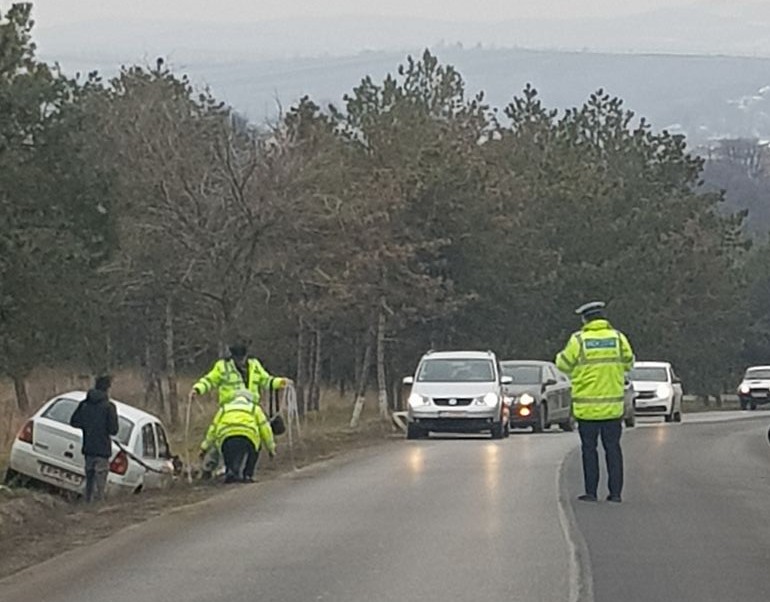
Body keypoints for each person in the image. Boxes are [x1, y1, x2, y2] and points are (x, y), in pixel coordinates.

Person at [556, 301, 634, 503]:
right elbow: (629, 362)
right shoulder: (617, 338)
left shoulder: (579, 340)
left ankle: (591, 492)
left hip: (587, 409)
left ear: (585, 320)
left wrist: (578, 372)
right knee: (613, 450)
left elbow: (562, 364)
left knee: (589, 451)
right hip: (612, 408)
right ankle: (615, 493)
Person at [191, 340, 290, 477]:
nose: (240, 361)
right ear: (232, 356)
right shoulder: (222, 367)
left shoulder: (254, 366)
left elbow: (267, 381)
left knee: (253, 433)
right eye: (238, 358)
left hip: (250, 406)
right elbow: (210, 380)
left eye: (242, 358)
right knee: (219, 435)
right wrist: (198, 389)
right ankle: (209, 467)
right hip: (228, 407)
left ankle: (238, 468)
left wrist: (281, 383)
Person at [199, 389, 276, 483]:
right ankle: (248, 474)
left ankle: (230, 471)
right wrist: (271, 448)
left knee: (228, 453)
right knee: (255, 448)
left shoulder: (224, 408)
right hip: (248, 437)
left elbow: (213, 429)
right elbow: (265, 429)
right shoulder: (254, 409)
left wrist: (204, 447)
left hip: (226, 437)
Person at [70, 375, 119, 503]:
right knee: (100, 485)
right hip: (102, 450)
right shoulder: (109, 407)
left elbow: (74, 421)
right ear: (107, 389)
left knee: (89, 482)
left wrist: (87, 426)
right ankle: (97, 510)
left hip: (88, 448)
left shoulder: (84, 404)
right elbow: (114, 430)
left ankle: (86, 506)